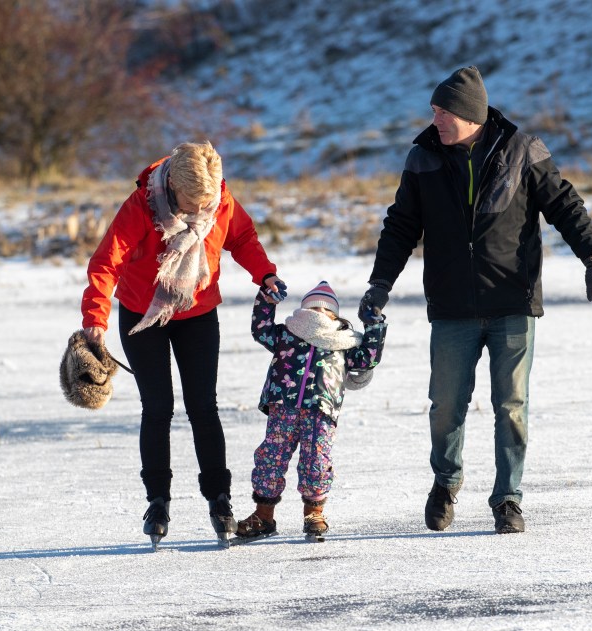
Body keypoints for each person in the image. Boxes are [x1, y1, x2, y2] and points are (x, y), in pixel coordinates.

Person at [358, 66, 592, 535]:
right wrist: (380, 283)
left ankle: (508, 499)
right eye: (433, 110)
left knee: (511, 406)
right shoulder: (423, 158)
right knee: (446, 405)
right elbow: (400, 226)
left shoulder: (524, 151)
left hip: (512, 301)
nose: (434, 118)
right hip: (452, 305)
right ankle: (445, 483)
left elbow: (566, 206)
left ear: (468, 114)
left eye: (442, 111)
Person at [80, 141, 287, 549]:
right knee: (157, 408)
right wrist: (95, 319)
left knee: (203, 407)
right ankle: (157, 501)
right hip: (143, 315)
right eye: (190, 203)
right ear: (172, 186)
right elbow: (107, 262)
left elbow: (241, 238)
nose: (198, 211)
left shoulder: (219, 200)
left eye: (204, 203)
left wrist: (264, 274)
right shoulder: (141, 206)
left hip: (197, 313)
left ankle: (220, 499)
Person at [233, 280, 387, 543]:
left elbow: (369, 357)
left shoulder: (344, 342)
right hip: (284, 407)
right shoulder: (287, 334)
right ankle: (263, 515)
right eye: (312, 307)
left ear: (335, 315)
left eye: (325, 309)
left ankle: (314, 513)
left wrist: (374, 324)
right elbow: (261, 330)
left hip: (321, 409)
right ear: (302, 311)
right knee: (272, 456)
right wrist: (266, 302)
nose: (318, 312)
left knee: (316, 458)